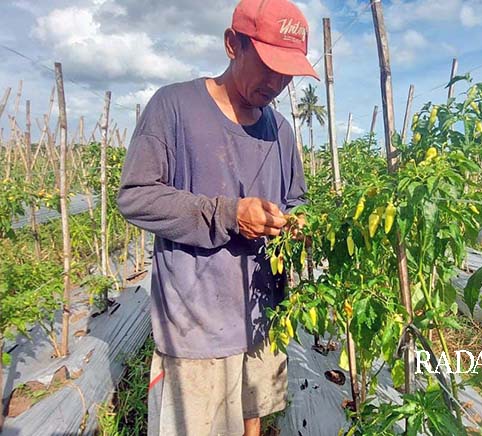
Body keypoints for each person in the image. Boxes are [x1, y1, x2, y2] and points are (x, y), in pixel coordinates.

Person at [116, 0, 318, 434]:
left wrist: (299, 222)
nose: (277, 81)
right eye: (268, 65)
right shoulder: (173, 107)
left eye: (288, 71)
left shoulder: (281, 130)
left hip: (264, 314)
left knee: (253, 417)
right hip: (196, 324)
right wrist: (227, 214)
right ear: (232, 44)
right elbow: (135, 196)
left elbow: (297, 199)